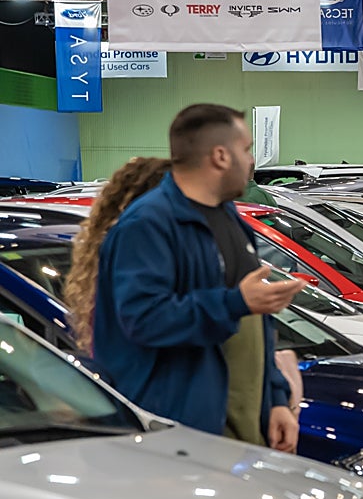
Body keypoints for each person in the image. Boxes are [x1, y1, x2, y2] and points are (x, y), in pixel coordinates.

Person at [82, 104, 307, 450]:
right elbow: (145, 319)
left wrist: (275, 399)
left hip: (245, 428)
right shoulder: (149, 225)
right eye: (245, 150)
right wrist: (235, 302)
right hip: (179, 434)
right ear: (220, 156)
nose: (251, 161)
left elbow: (255, 325)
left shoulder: (227, 217)